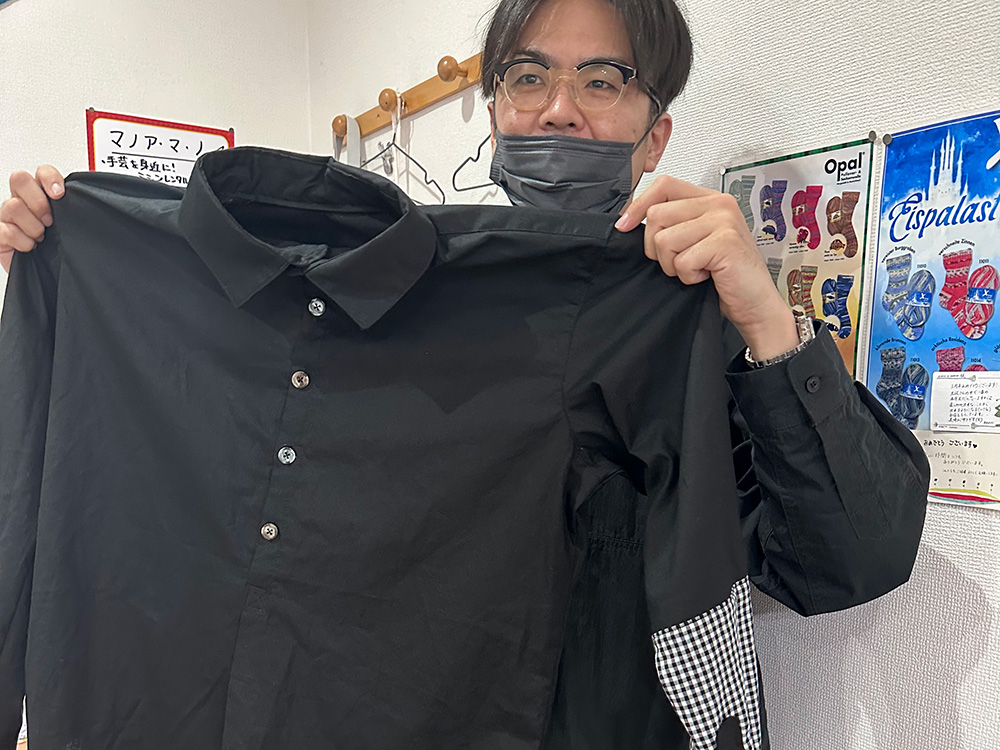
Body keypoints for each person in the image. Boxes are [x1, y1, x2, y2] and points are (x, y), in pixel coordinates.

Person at [0, 0, 928, 747]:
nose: (559, 110)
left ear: (655, 135)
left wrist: (768, 323)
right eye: (529, 77)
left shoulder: (688, 310)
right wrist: (61, 262)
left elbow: (848, 562)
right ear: (493, 110)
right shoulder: (399, 289)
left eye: (602, 81)